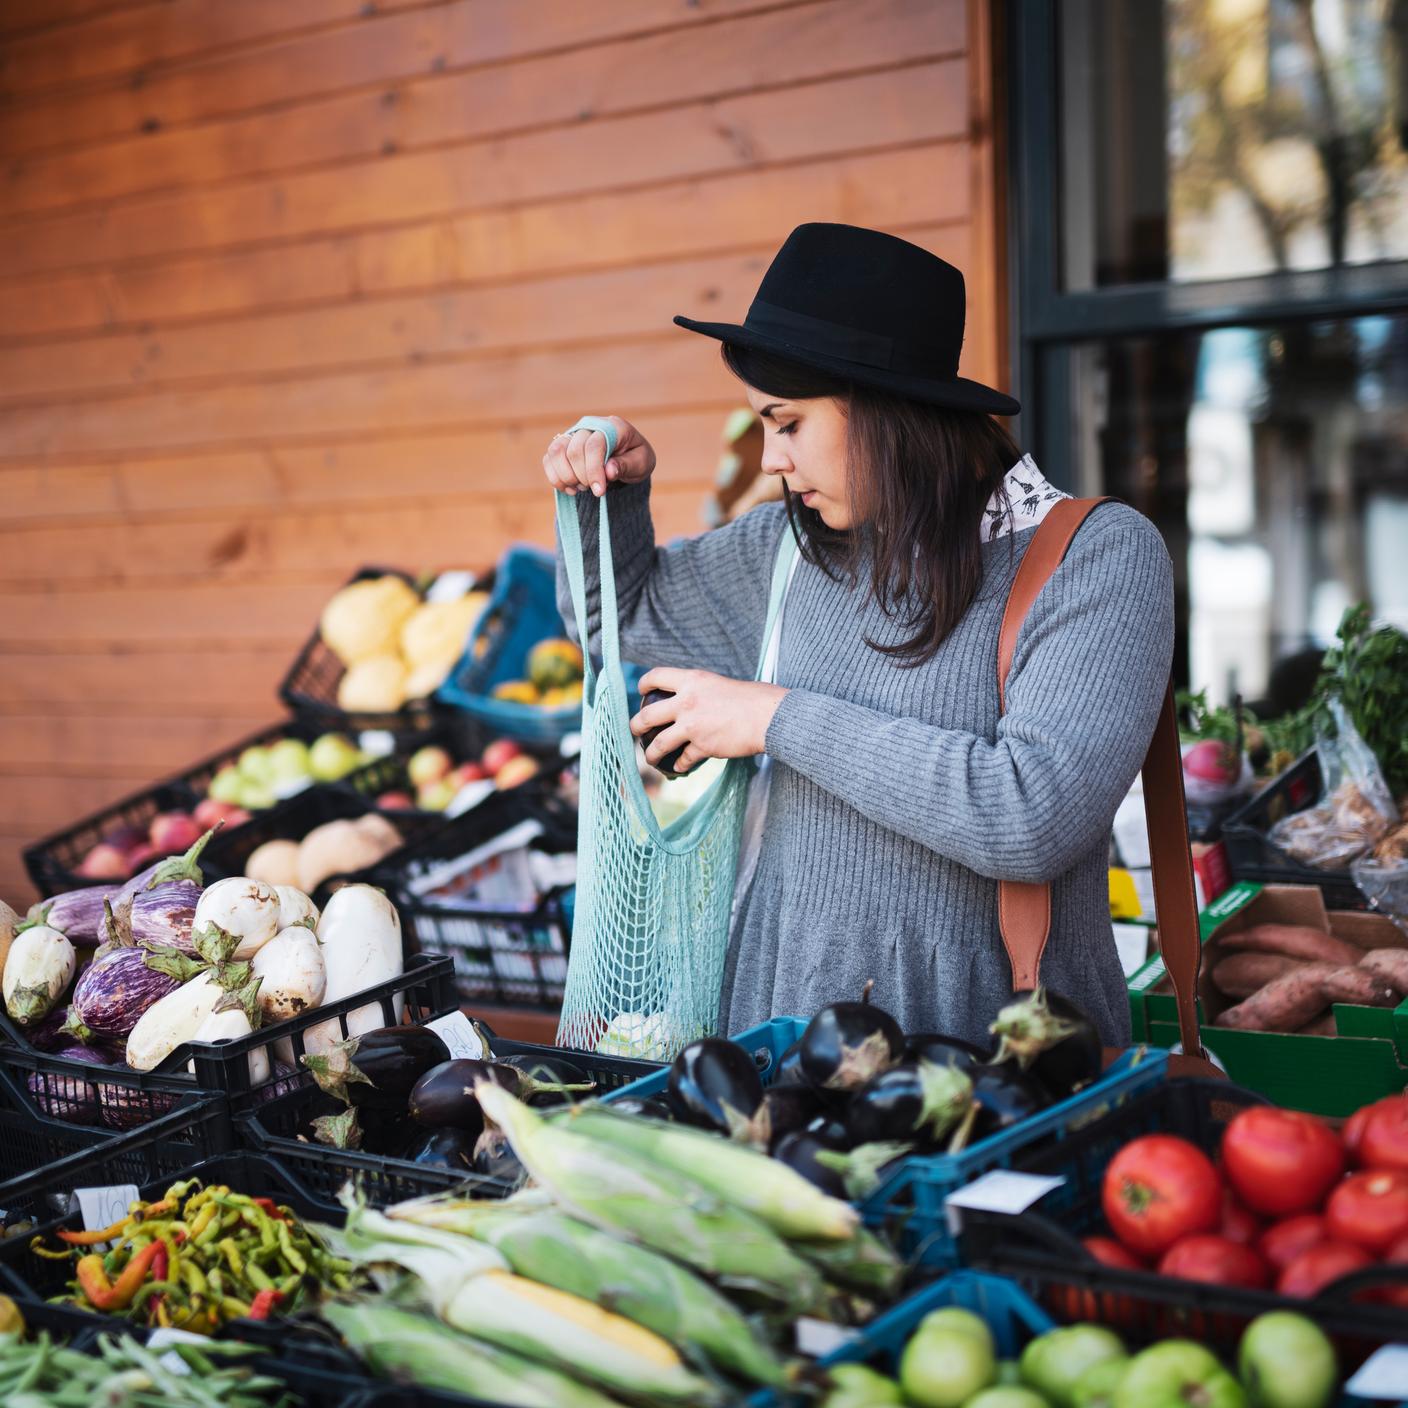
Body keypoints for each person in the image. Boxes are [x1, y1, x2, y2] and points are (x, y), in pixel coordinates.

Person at [543, 223, 1173, 1047]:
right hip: (770, 1054)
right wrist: (610, 493)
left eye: (789, 422)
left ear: (884, 412)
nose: (770, 458)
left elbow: (1032, 816)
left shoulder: (1096, 556)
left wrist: (775, 718)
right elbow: (614, 619)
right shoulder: (788, 551)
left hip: (987, 1070)